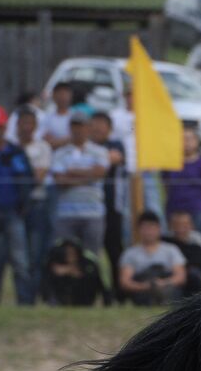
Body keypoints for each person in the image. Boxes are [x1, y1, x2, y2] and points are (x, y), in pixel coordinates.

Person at [49, 110, 111, 297]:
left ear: (88, 128)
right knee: (62, 256)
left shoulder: (100, 151)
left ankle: (88, 295)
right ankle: (61, 296)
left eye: (82, 126)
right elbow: (60, 180)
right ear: (70, 128)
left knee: (91, 257)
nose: (78, 130)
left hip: (93, 213)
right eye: (75, 126)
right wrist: (88, 175)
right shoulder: (60, 152)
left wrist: (72, 173)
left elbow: (100, 173)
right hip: (66, 214)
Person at [12, 105, 53, 304]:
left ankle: (31, 299)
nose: (27, 127)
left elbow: (39, 177)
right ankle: (21, 298)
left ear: (35, 125)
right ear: (17, 124)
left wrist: (16, 175)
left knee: (35, 254)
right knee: (17, 256)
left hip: (36, 205)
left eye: (30, 123)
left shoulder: (42, 147)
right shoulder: (10, 147)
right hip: (14, 206)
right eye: (23, 122)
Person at [0, 105, 32, 305]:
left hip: (12, 213)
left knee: (20, 260)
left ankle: (25, 303)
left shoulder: (15, 152)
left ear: (5, 127)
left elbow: (27, 180)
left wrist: (22, 207)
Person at [89, 111, 129, 292]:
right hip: (90, 207)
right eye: (94, 123)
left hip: (113, 206)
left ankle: (118, 292)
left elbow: (116, 158)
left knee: (114, 251)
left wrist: (90, 162)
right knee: (91, 252)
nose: (97, 128)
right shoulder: (85, 146)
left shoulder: (116, 144)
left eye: (101, 124)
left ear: (110, 128)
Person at [118, 211, 187, 305]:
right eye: (145, 228)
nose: (149, 232)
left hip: (167, 286)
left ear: (159, 229)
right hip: (143, 289)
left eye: (152, 227)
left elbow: (181, 276)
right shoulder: (130, 253)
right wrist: (146, 286)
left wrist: (163, 283)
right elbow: (125, 282)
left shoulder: (171, 249)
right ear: (139, 230)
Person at [162, 130, 201, 240]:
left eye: (189, 139)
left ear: (197, 142)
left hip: (198, 210)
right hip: (174, 209)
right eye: (182, 139)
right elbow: (166, 186)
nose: (186, 142)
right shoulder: (169, 164)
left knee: (199, 241)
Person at [167, 208, 201, 294]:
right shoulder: (166, 242)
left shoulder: (199, 242)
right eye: (177, 225)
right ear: (171, 226)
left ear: (191, 225)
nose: (181, 229)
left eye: (184, 225)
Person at [42, 237, 102, 305]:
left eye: (72, 252)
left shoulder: (88, 262)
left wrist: (71, 271)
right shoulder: (54, 260)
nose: (70, 255)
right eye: (68, 252)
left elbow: (95, 278)